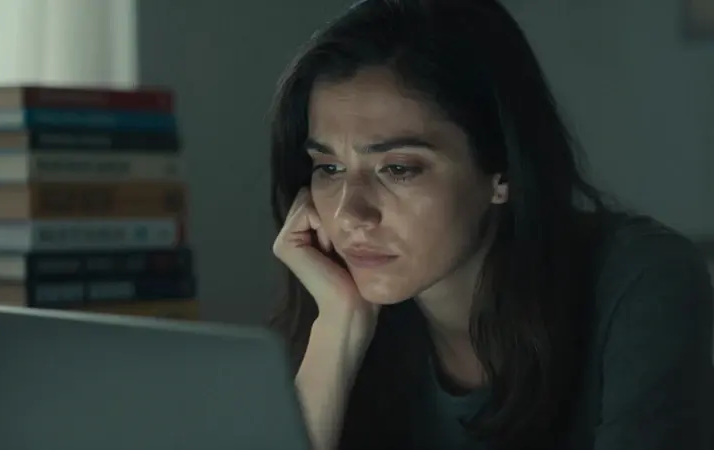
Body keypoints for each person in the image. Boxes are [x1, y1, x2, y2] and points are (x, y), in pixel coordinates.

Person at [268, 0, 713, 449]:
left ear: (502, 171)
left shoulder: (640, 281)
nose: (349, 213)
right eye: (328, 168)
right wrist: (337, 333)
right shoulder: (345, 324)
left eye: (398, 168)